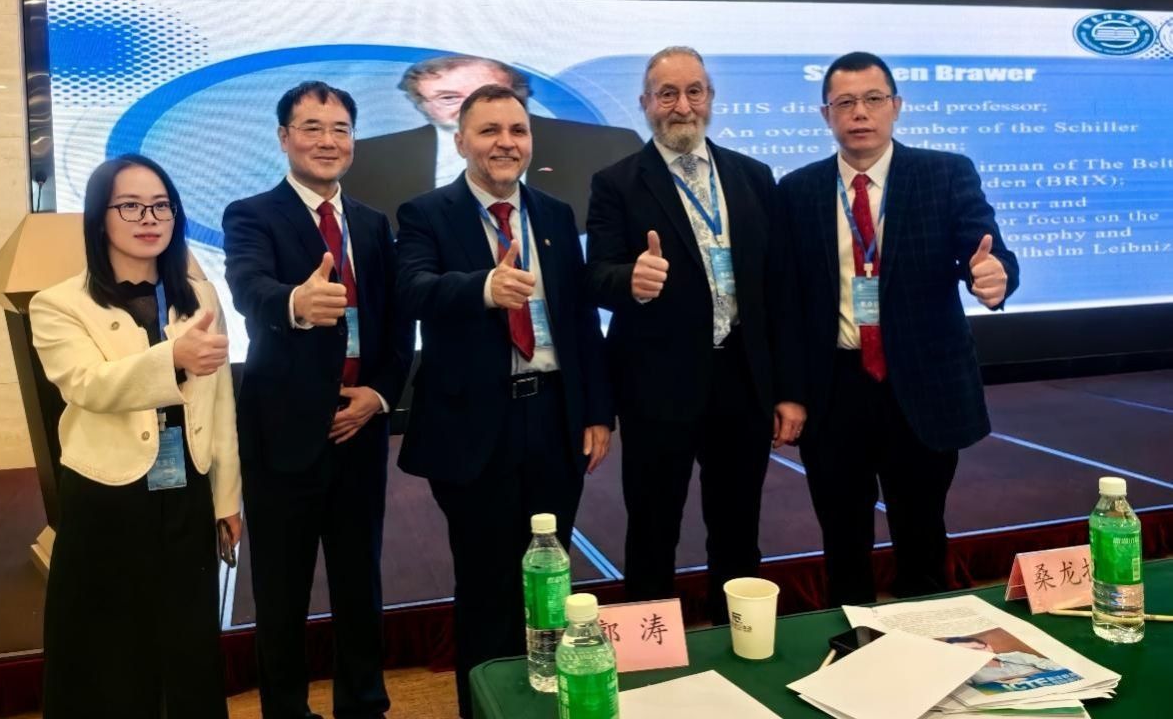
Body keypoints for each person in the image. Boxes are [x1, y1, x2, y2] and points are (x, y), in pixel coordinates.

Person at [395, 84, 613, 718]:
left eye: (517, 130)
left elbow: (579, 321)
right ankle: (486, 709)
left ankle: (547, 699)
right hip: (473, 428)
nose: (505, 143)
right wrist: (484, 289)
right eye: (489, 130)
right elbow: (413, 290)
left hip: (553, 418)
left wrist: (597, 411)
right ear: (461, 140)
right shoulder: (425, 213)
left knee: (550, 581)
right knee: (486, 586)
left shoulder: (554, 213)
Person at [778, 51, 1018, 606]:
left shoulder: (944, 173)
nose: (859, 113)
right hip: (835, 388)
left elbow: (987, 251)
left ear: (896, 106)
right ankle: (852, 638)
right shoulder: (797, 190)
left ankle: (927, 641)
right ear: (826, 115)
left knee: (921, 530)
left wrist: (994, 276)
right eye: (844, 103)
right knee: (842, 535)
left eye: (872, 99)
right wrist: (788, 390)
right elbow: (786, 301)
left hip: (922, 385)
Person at [585, 46, 805, 624]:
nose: (682, 106)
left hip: (742, 379)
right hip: (657, 387)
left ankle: (740, 636)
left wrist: (787, 390)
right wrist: (630, 280)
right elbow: (596, 275)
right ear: (645, 103)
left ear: (710, 98)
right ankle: (650, 648)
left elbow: (779, 290)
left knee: (738, 525)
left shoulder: (753, 176)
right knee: (653, 526)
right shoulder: (616, 183)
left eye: (693, 92)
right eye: (667, 94)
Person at [223, 81, 413, 719]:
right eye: (312, 128)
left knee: (361, 580)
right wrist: (296, 304)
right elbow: (249, 288)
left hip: (359, 427)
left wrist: (380, 394)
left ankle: (364, 704)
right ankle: (286, 711)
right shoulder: (252, 215)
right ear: (284, 138)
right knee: (282, 590)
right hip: (284, 432)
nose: (327, 141)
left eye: (340, 129)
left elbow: (396, 324)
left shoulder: (373, 223)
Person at [30, 154, 241, 719]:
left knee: (190, 639)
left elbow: (220, 403)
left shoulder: (200, 298)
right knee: (111, 645)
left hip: (187, 488)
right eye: (129, 206)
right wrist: (172, 358)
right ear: (99, 218)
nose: (149, 218)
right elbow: (87, 384)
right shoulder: (58, 304)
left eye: (161, 206)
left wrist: (227, 499)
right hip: (107, 494)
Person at [349, 54, 642, 230]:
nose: (474, 107)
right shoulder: (367, 159)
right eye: (448, 97)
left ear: (520, 96)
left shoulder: (608, 146)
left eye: (488, 93)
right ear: (421, 104)